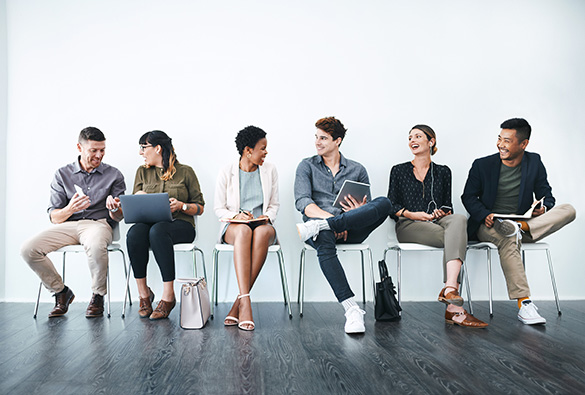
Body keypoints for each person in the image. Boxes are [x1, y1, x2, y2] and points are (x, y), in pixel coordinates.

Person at [462, 118, 576, 325]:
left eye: (507, 140)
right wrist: (484, 214)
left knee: (568, 210)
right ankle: (524, 304)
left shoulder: (534, 162)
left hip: (524, 224)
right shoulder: (482, 165)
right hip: (491, 224)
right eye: (499, 139)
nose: (500, 144)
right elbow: (468, 197)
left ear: (523, 144)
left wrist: (543, 207)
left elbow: (546, 194)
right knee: (508, 236)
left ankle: (520, 226)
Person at [294, 116, 391, 334]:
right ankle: (351, 309)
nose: (317, 142)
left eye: (324, 138)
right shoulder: (306, 166)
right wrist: (331, 221)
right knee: (325, 237)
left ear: (337, 140)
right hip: (317, 226)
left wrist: (356, 212)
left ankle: (327, 225)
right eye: (316, 137)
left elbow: (368, 210)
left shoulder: (357, 169)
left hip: (350, 227)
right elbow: (303, 204)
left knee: (384, 202)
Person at [388, 125, 487, 328]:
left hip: (437, 222)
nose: (412, 140)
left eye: (418, 136)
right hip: (409, 225)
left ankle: (450, 288)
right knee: (458, 238)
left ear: (431, 142)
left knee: (458, 219)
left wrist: (442, 212)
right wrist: (411, 214)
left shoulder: (443, 172)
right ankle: (454, 309)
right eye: (410, 137)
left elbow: (447, 205)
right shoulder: (398, 170)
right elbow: (391, 206)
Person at [21, 127, 126, 318]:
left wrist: (115, 209)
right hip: (68, 225)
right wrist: (70, 209)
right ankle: (61, 292)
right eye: (93, 150)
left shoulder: (114, 175)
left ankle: (97, 295)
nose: (99, 155)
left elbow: (119, 217)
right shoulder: (62, 174)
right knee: (28, 249)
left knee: (95, 245)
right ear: (80, 147)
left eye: (102, 150)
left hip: (98, 224)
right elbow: (54, 217)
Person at [126, 130, 205, 320]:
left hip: (181, 226)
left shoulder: (186, 171)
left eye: (143, 147)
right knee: (135, 233)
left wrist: (182, 205)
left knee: (158, 231)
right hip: (150, 225)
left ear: (158, 148)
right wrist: (138, 197)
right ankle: (144, 295)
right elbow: (135, 202)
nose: (141, 152)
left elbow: (200, 207)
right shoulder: (142, 172)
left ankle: (168, 296)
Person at [214, 126, 279, 331]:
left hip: (262, 225)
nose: (266, 152)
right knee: (244, 230)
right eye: (262, 148)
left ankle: (239, 303)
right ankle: (246, 304)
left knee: (259, 232)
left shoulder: (270, 170)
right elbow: (219, 208)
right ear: (247, 150)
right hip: (235, 227)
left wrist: (265, 217)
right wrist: (237, 217)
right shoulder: (227, 171)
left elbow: (274, 205)